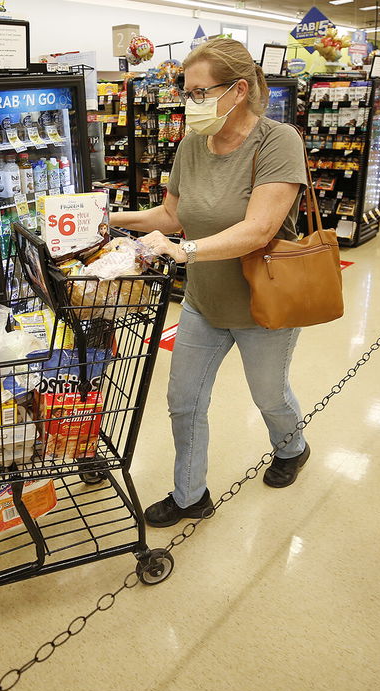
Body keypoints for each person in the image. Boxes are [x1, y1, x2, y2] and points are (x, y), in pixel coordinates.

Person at [111, 38, 309, 527]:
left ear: (238, 90)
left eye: (200, 92)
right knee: (184, 402)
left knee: (270, 395)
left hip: (263, 304)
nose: (189, 102)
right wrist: (109, 218)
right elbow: (172, 215)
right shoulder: (191, 146)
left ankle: (293, 447)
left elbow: (260, 227)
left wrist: (187, 251)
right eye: (187, 90)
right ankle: (190, 495)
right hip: (203, 302)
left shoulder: (278, 141)